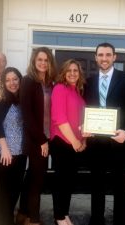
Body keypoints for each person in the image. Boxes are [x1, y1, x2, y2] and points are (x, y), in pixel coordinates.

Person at [84, 42, 125, 225]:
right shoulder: (88, 81)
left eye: (108, 54)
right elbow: (84, 109)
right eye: (100, 55)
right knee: (96, 185)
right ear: (96, 58)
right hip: (96, 142)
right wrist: (82, 125)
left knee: (120, 186)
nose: (104, 58)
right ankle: (97, 220)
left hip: (120, 141)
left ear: (114, 57)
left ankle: (120, 221)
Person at [18, 47, 57, 225]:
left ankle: (23, 213)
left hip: (49, 136)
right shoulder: (27, 81)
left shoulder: (51, 82)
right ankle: (33, 220)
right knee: (37, 179)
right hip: (36, 138)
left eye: (46, 60)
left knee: (32, 176)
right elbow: (27, 114)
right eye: (39, 59)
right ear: (34, 61)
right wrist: (41, 140)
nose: (43, 63)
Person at [50, 59, 86, 225]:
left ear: (79, 74)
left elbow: (82, 120)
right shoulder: (59, 88)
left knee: (69, 182)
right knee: (61, 182)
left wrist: (83, 140)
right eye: (69, 70)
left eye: (76, 70)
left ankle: (64, 214)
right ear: (63, 73)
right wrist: (74, 141)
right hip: (62, 143)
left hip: (75, 144)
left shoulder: (78, 92)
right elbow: (60, 118)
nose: (72, 73)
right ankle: (59, 217)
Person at [0, 67, 27, 225]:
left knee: (15, 190)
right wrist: (5, 149)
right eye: (8, 80)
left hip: (19, 153)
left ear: (20, 80)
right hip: (1, 153)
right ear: (3, 83)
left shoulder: (21, 100)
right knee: (3, 192)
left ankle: (7, 220)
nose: (12, 83)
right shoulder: (3, 101)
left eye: (15, 79)